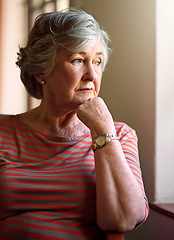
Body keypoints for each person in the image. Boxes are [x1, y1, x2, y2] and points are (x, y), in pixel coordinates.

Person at [0, 8, 149, 240]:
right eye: (78, 60)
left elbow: (124, 218)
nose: (92, 74)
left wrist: (103, 131)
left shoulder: (119, 134)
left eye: (97, 61)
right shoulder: (3, 133)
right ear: (41, 71)